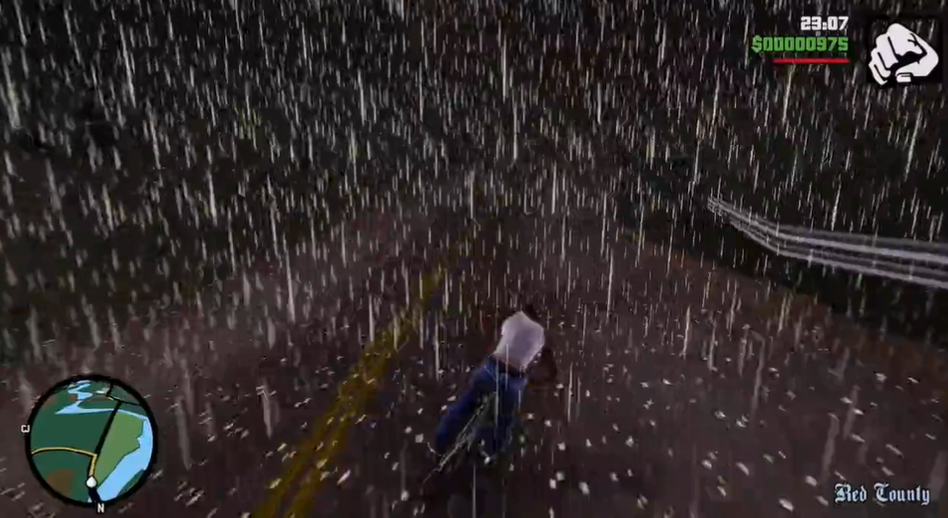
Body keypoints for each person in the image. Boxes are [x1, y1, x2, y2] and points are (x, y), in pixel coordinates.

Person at [432, 301, 558, 463]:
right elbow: (552, 372)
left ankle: (441, 441)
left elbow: (495, 335)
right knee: (504, 419)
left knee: (466, 404)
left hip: (492, 367)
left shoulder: (513, 318)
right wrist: (535, 383)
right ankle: (489, 452)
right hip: (514, 377)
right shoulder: (542, 335)